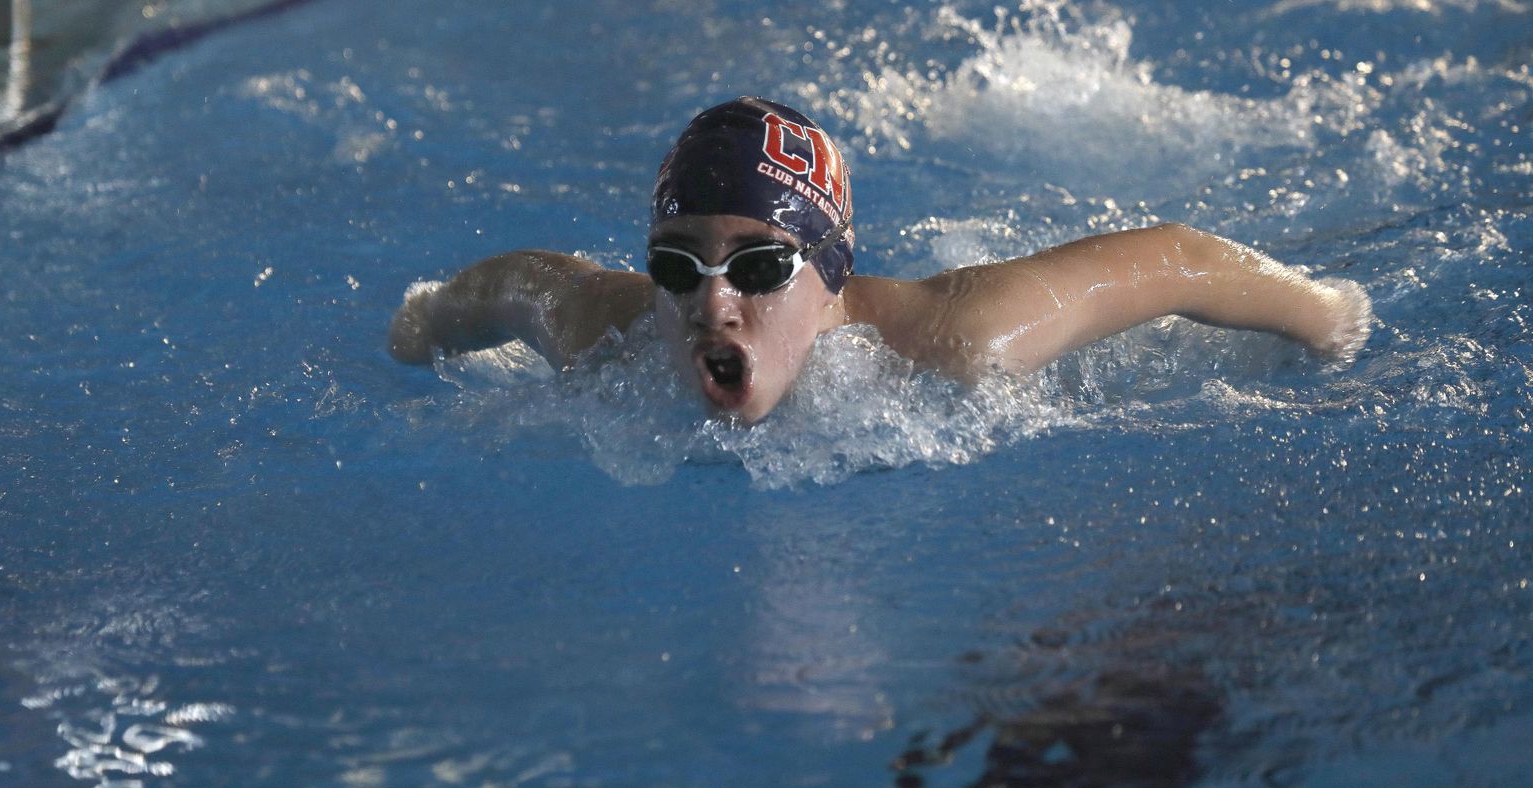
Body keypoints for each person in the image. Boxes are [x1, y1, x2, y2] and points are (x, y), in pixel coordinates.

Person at [388, 96, 1370, 424]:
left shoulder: (952, 341)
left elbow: (1175, 259)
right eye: (677, 268)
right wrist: (418, 324)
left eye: (761, 268)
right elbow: (514, 285)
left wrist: (1325, 312)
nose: (712, 303)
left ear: (828, 278)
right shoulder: (608, 332)